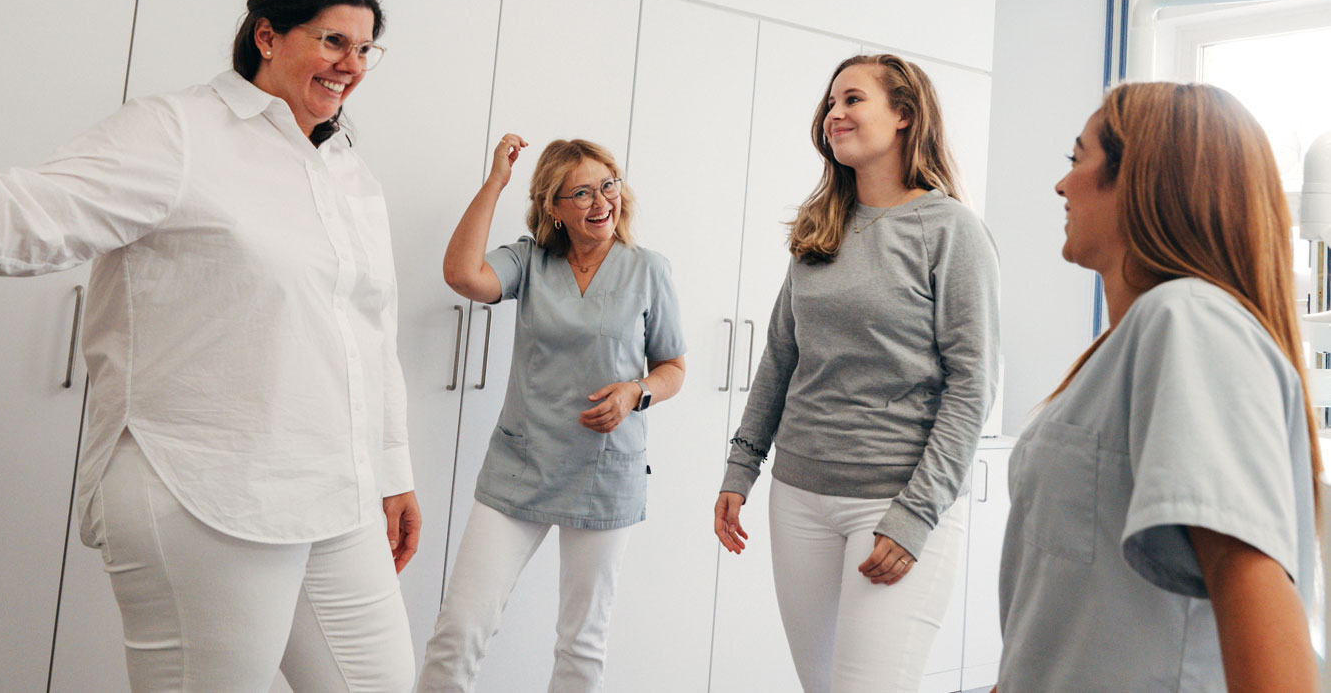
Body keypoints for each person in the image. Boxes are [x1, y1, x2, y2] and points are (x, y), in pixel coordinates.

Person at [0, 0, 420, 693]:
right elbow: (17, 219)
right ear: (267, 36)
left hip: (339, 494)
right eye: (333, 41)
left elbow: (371, 331)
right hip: (205, 489)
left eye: (365, 49)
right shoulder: (178, 132)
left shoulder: (348, 173)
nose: (352, 66)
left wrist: (391, 470)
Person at [995, 82, 1319, 693]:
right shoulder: (1126, 346)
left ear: (1143, 179)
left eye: (1077, 159)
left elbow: (1250, 584)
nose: (1062, 185)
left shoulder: (1188, 320)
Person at [713, 54, 1000, 693]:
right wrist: (741, 467)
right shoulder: (820, 228)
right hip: (799, 496)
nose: (834, 114)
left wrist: (916, 514)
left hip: (894, 499)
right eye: (830, 104)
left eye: (852, 99)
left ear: (904, 116)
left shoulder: (951, 230)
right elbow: (781, 357)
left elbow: (972, 385)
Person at [418, 135, 687, 693]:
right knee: (460, 629)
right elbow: (463, 275)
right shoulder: (529, 261)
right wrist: (496, 181)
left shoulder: (648, 270)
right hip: (522, 464)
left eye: (608, 185)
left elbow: (673, 367)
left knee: (582, 643)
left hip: (604, 472)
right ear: (554, 208)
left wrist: (635, 392)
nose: (601, 202)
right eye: (581, 193)